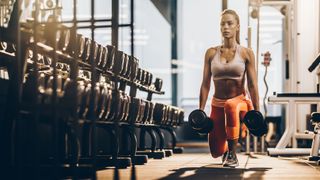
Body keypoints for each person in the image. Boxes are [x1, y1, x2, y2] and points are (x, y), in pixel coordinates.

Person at [199, 9, 259, 167]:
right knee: (216, 152)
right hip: (217, 103)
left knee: (230, 106)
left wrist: (257, 112)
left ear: (237, 26)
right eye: (222, 24)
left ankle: (233, 154)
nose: (225, 27)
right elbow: (205, 84)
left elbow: (252, 85)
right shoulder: (211, 53)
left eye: (229, 23)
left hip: (240, 101)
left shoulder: (246, 53)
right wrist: (200, 110)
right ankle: (229, 144)